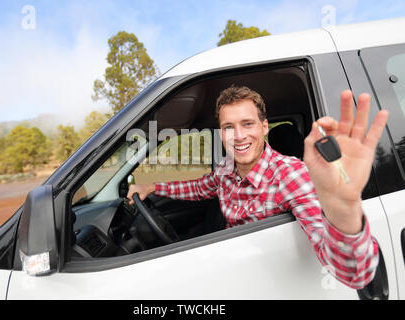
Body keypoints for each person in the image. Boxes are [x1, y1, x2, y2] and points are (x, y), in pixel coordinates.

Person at [126, 85, 389, 289]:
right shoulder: (226, 169)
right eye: (229, 127)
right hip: (227, 268)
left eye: (248, 124)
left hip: (264, 279)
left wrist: (344, 209)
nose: (239, 136)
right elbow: (199, 188)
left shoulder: (291, 175)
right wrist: (151, 186)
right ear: (221, 133)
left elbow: (356, 274)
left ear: (264, 127)